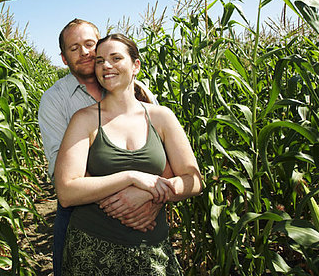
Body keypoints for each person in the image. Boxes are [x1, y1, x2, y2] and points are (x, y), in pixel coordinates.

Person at [54, 33, 203, 275]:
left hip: (152, 249)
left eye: (116, 58)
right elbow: (66, 192)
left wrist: (148, 194)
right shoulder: (84, 120)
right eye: (100, 61)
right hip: (92, 249)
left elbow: (194, 180)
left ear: (136, 66)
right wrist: (131, 177)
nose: (107, 66)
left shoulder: (161, 117)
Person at [38, 19, 162, 275]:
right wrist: (123, 199)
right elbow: (61, 172)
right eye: (74, 48)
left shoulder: (135, 90)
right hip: (80, 215)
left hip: (144, 212)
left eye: (89, 45)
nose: (84, 52)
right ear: (63, 59)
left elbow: (163, 154)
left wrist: (153, 198)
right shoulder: (55, 100)